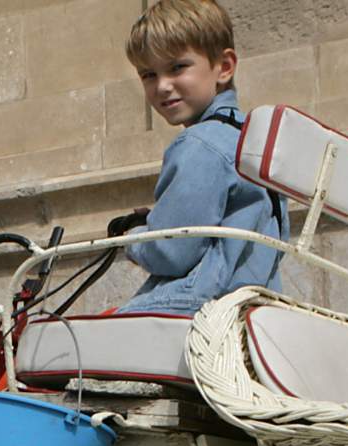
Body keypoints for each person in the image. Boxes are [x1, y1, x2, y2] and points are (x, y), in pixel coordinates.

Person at [115, 0, 285, 315]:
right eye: (148, 74)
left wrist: (134, 237)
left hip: (198, 305)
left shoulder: (199, 143)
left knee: (67, 346)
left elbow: (171, 252)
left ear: (224, 67)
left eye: (177, 67)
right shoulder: (248, 139)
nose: (163, 86)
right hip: (253, 304)